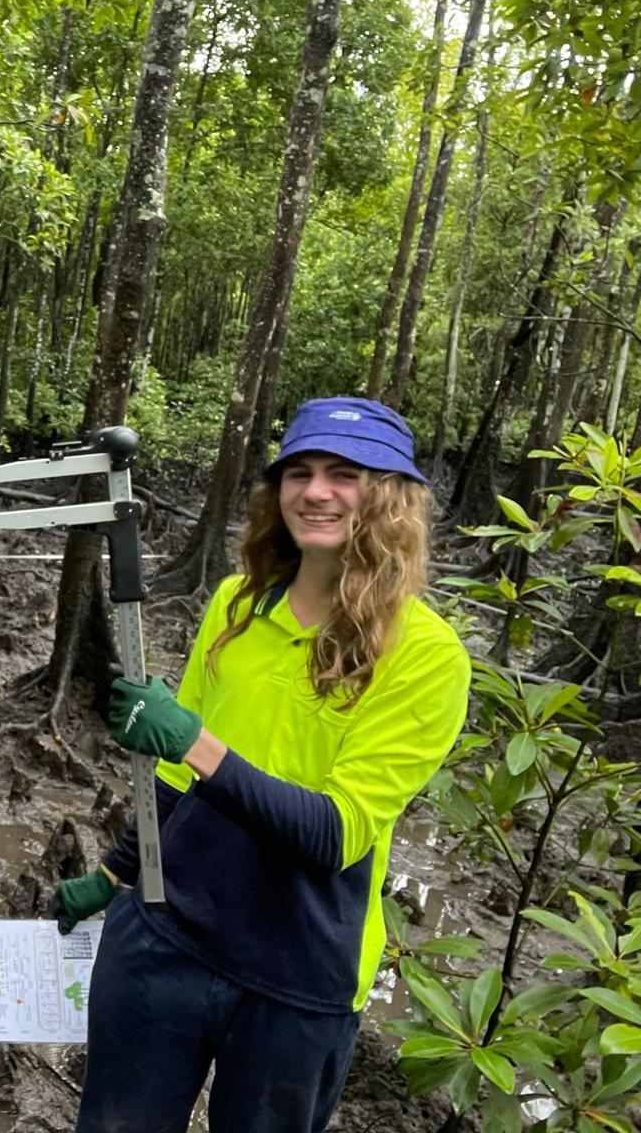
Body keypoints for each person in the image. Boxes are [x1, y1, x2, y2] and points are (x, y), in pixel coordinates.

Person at [50, 398, 470, 1133]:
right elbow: (179, 787)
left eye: (346, 474)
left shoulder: (428, 656)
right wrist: (113, 875)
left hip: (298, 977)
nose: (316, 491)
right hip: (165, 938)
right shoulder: (237, 604)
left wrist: (194, 742)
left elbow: (335, 833)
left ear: (392, 497)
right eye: (298, 472)